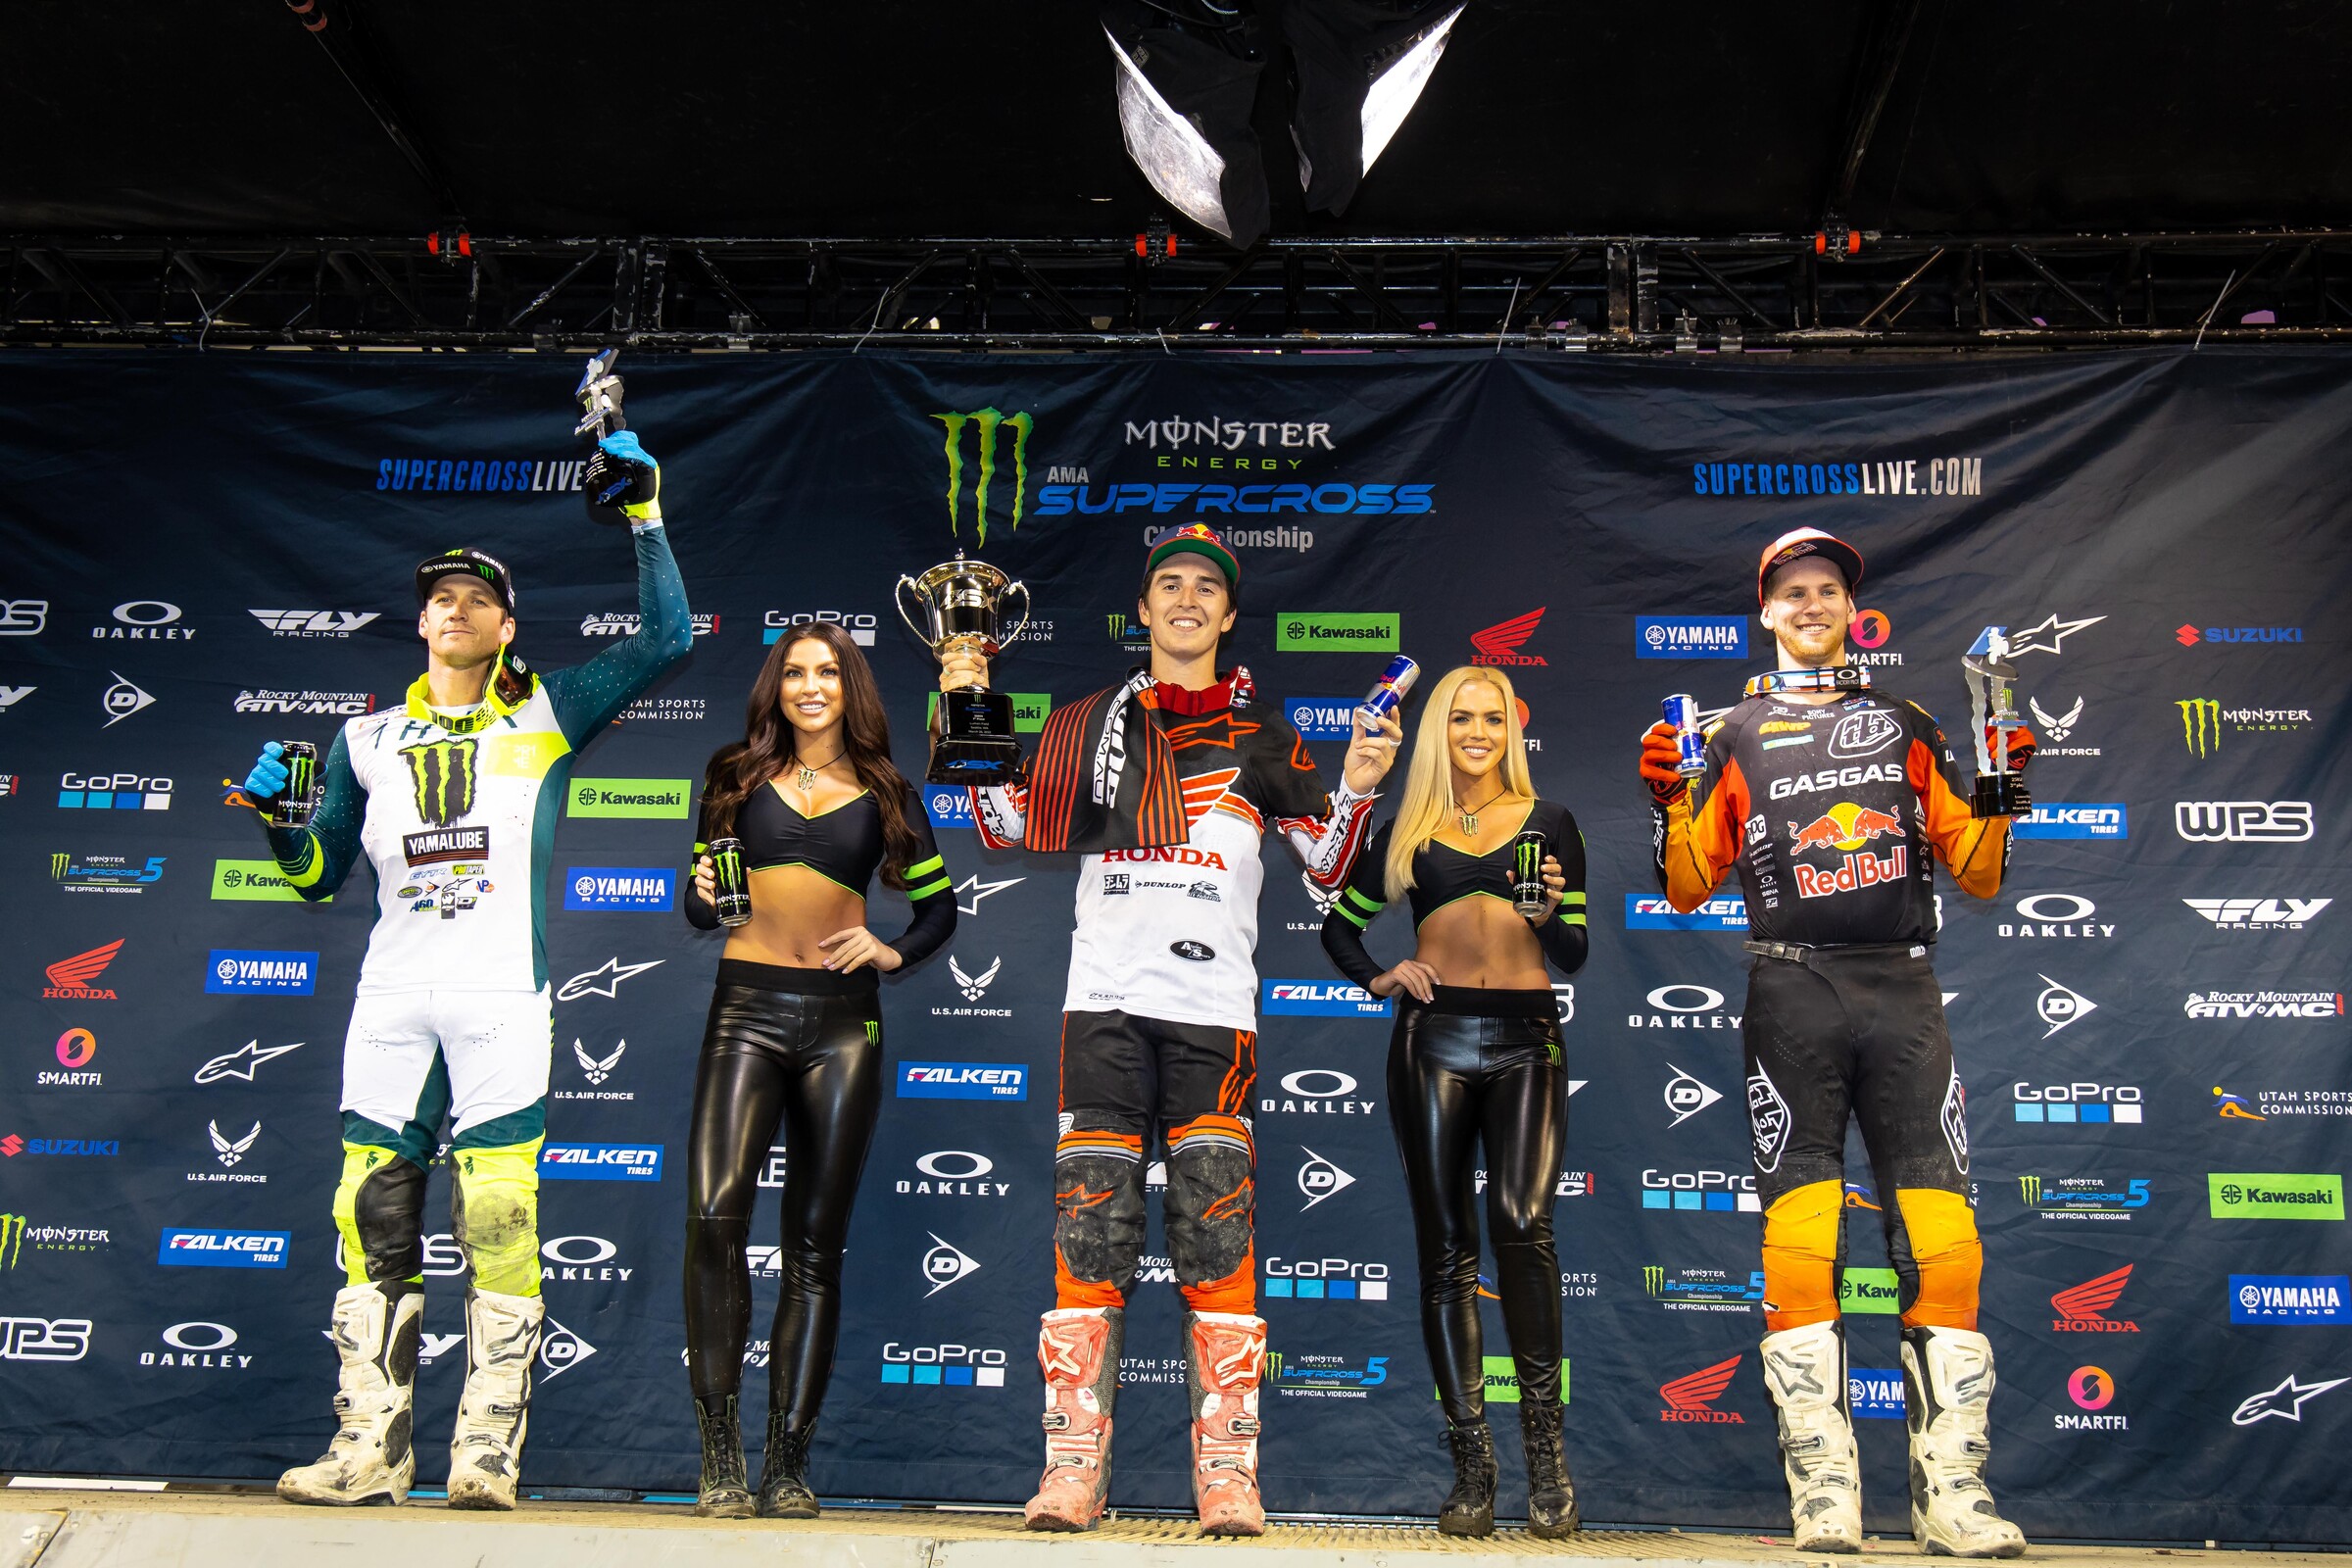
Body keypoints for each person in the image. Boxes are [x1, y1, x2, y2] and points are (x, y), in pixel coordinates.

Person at [241, 431, 691, 1510]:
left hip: (499, 996)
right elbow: (315, 879)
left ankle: (487, 1448)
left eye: (477, 599)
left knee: (497, 1208)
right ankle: (370, 1447)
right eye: (440, 598)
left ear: (505, 627)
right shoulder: (361, 740)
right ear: (421, 621)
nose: (455, 609)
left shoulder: (546, 712)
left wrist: (644, 515)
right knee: (368, 1208)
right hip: (392, 999)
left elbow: (666, 638)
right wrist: (278, 823)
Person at [939, 521, 1398, 1535]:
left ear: (1229, 616)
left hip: (1214, 1017)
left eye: (1207, 588)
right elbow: (1004, 825)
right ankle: (1072, 1472)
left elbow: (1327, 867)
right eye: (1170, 584)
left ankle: (1228, 1476)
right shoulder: (1085, 726)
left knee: (1217, 1233)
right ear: (1143, 609)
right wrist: (967, 702)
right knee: (1089, 1233)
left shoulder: (1265, 737)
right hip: (1102, 1008)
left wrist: (1360, 785)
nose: (1187, 599)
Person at [1639, 527, 2034, 1559]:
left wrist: (1998, 785)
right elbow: (1686, 884)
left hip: (1904, 990)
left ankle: (1952, 1493)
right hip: (1790, 991)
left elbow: (1981, 871)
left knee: (1944, 1239)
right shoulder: (1726, 731)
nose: (1812, 604)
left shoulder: (1906, 720)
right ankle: (1824, 1493)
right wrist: (1670, 800)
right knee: (1802, 1236)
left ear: (1852, 610)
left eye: (1828, 589)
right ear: (1765, 611)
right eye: (1793, 591)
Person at [677, 622, 956, 1518]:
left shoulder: (886, 788)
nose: (810, 686)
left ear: (850, 687)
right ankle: (720, 1458)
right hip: (745, 1010)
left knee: (812, 1247)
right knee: (714, 1218)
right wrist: (703, 894)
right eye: (795, 672)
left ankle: (787, 1466)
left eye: (828, 672)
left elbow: (939, 910)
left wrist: (891, 949)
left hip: (843, 1025)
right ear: (776, 686)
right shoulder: (732, 775)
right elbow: (699, 906)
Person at [1320, 665, 1587, 1540]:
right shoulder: (1409, 830)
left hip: (1528, 1038)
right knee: (1445, 1251)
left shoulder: (1550, 822)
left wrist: (1546, 913)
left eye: (1494, 718)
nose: (1479, 732)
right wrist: (1382, 975)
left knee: (1523, 1223)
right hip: (1430, 1040)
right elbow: (1338, 925)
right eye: (1463, 717)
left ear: (1513, 729)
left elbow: (1576, 951)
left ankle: (1546, 1456)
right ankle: (1473, 1465)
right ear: (1440, 728)